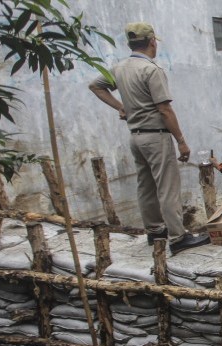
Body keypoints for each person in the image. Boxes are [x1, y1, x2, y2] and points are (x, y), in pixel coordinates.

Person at [89, 22, 209, 255]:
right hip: (156, 136)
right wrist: (181, 140)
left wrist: (120, 107)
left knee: (146, 186)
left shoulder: (120, 68)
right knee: (167, 187)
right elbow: (164, 109)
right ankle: (178, 236)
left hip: (136, 136)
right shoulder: (151, 70)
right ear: (152, 41)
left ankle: (155, 231)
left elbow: (96, 86)